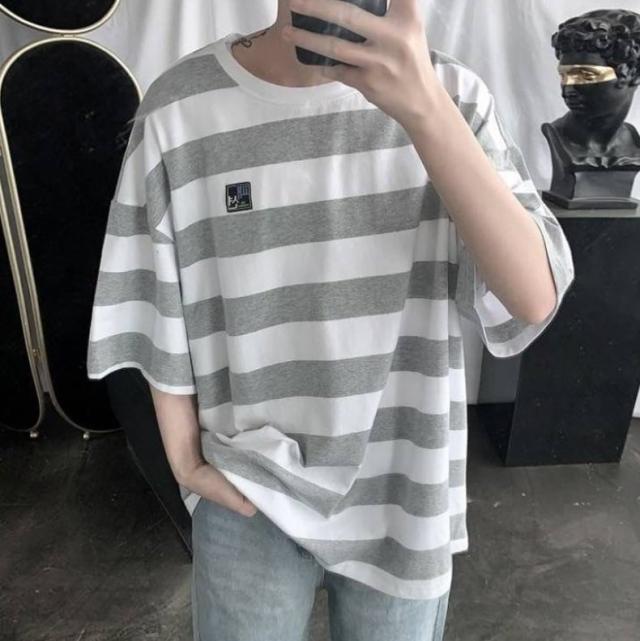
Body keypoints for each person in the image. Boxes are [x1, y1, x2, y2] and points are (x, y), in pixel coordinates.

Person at [86, 1, 575, 639]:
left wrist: (425, 111)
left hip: (403, 492)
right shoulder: (181, 108)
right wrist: (184, 463)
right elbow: (152, 296)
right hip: (248, 486)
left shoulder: (451, 95)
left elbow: (532, 297)